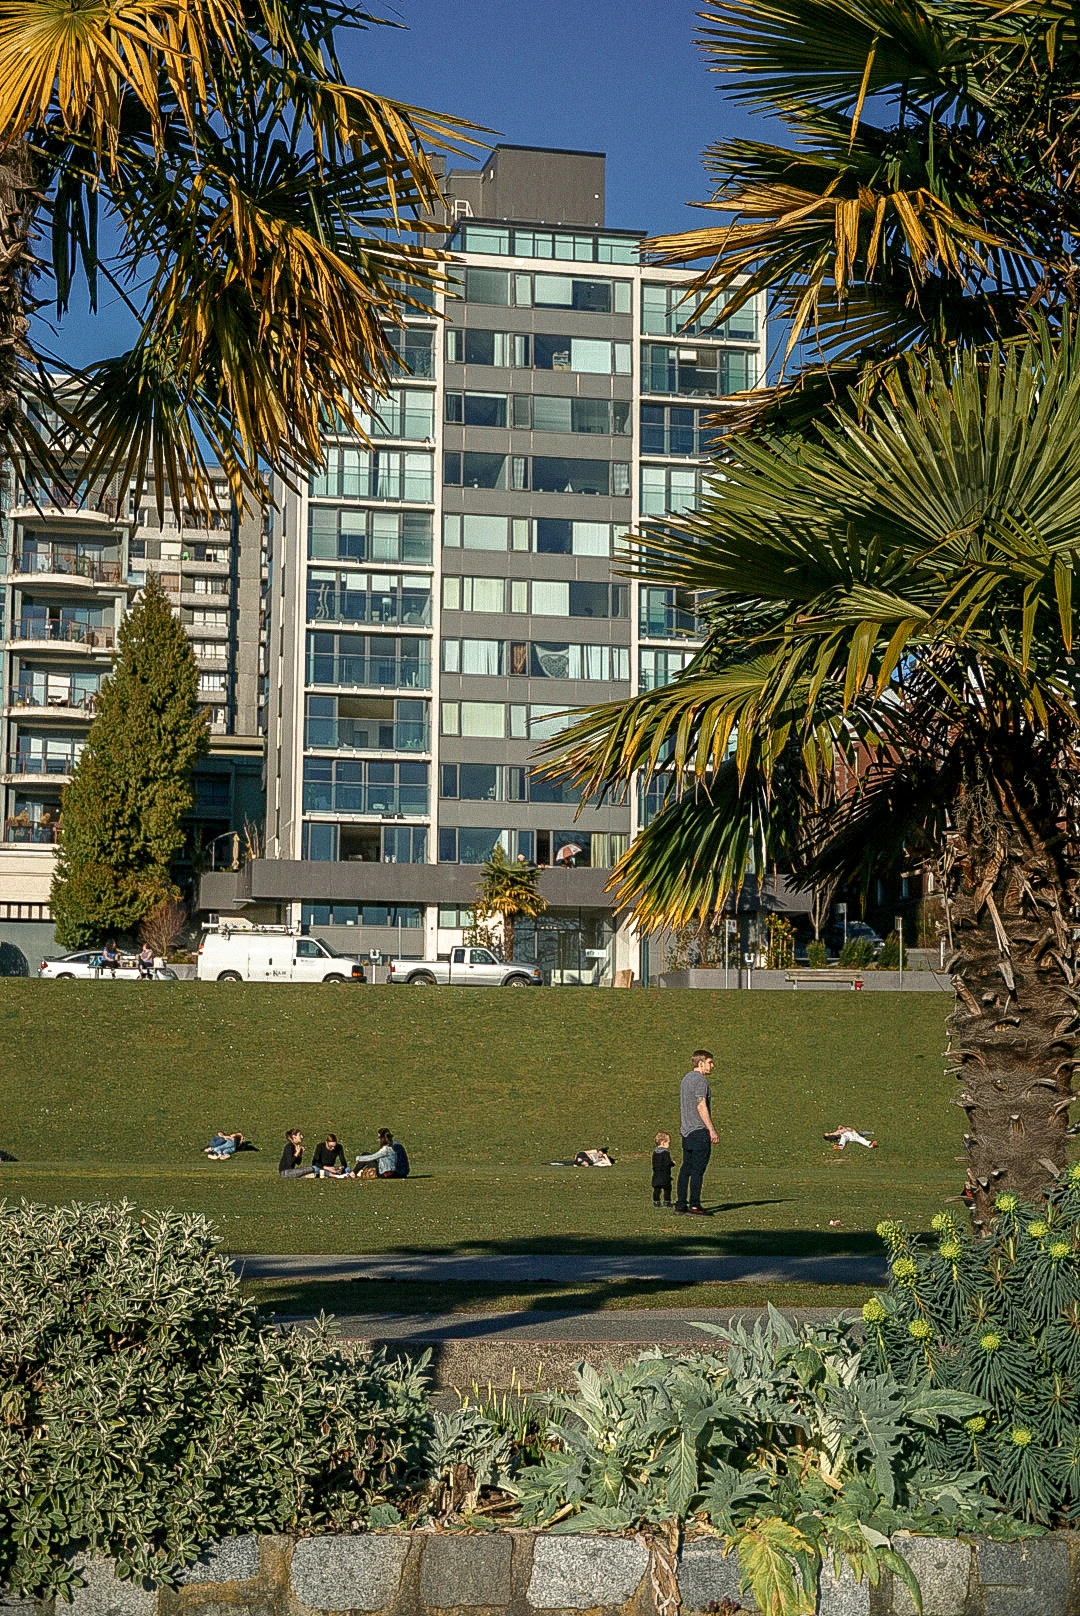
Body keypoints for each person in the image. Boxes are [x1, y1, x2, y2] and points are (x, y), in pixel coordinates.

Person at [676, 1049, 718, 1214]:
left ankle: (680, 1204)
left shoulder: (686, 1079)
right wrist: (711, 1130)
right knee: (697, 1170)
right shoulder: (700, 1081)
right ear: (701, 1063)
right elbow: (701, 1105)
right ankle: (695, 1204)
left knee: (685, 1168)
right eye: (710, 1062)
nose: (712, 1066)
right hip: (699, 1131)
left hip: (686, 1132)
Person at [652, 1131, 673, 1209]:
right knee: (667, 1189)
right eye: (668, 1143)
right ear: (663, 1142)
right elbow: (667, 1163)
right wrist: (672, 1163)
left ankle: (656, 1202)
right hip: (665, 1175)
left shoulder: (655, 1153)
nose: (669, 1145)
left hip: (656, 1175)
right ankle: (667, 1202)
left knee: (657, 1189)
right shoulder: (665, 1152)